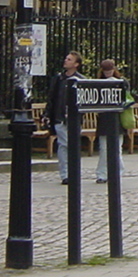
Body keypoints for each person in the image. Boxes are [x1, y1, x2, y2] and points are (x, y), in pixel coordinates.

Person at [44, 51, 85, 185]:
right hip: (59, 117)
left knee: (70, 145)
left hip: (74, 119)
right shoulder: (58, 79)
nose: (66, 61)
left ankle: (72, 171)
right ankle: (65, 173)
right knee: (64, 144)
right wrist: (47, 114)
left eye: (69, 59)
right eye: (66, 58)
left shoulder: (81, 80)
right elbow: (52, 98)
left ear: (76, 64)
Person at [94, 59, 127, 183]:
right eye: (105, 70)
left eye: (110, 70)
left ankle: (117, 172)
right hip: (104, 120)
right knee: (104, 149)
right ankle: (102, 174)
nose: (108, 73)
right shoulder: (98, 84)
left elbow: (126, 99)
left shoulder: (122, 82)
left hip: (117, 119)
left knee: (117, 149)